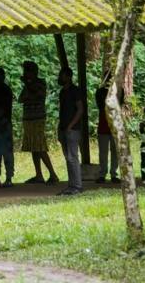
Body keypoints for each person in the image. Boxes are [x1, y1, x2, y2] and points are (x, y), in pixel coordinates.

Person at [19, 61, 58, 185]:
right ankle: (39, 175)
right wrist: (28, 88)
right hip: (28, 119)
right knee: (33, 147)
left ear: (33, 72)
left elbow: (38, 94)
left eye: (26, 71)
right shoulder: (28, 85)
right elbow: (21, 99)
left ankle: (53, 174)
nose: (25, 73)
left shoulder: (40, 83)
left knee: (40, 147)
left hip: (37, 119)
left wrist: (28, 86)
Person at [57, 67, 84, 195]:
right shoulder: (62, 92)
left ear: (68, 76)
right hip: (63, 129)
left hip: (72, 130)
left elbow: (80, 109)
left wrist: (70, 126)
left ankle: (77, 186)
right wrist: (60, 128)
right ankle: (71, 185)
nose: (59, 77)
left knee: (73, 157)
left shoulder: (75, 90)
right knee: (68, 158)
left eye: (61, 75)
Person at [95, 75, 119, 184]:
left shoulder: (118, 91)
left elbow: (118, 105)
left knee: (114, 151)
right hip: (104, 125)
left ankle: (114, 174)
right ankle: (102, 173)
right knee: (103, 152)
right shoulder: (100, 92)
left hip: (114, 125)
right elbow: (101, 106)